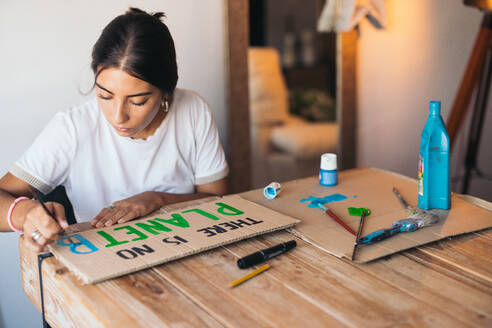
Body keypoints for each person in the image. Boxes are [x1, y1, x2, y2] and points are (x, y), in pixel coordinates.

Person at [0, 8, 229, 252]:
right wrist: (26, 213)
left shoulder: (193, 110)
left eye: (138, 101)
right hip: (105, 259)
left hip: (186, 250)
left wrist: (157, 199)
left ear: (165, 91)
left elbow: (217, 199)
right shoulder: (73, 128)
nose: (118, 116)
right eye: (104, 95)